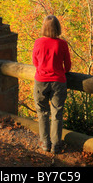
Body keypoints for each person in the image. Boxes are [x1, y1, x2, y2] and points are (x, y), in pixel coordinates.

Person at [32, 15, 71, 154]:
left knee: (42, 112)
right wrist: (60, 71)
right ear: (57, 28)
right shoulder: (62, 44)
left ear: (44, 27)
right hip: (58, 82)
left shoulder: (38, 43)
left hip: (41, 81)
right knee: (57, 114)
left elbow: (35, 63)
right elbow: (68, 67)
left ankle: (45, 143)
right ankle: (56, 145)